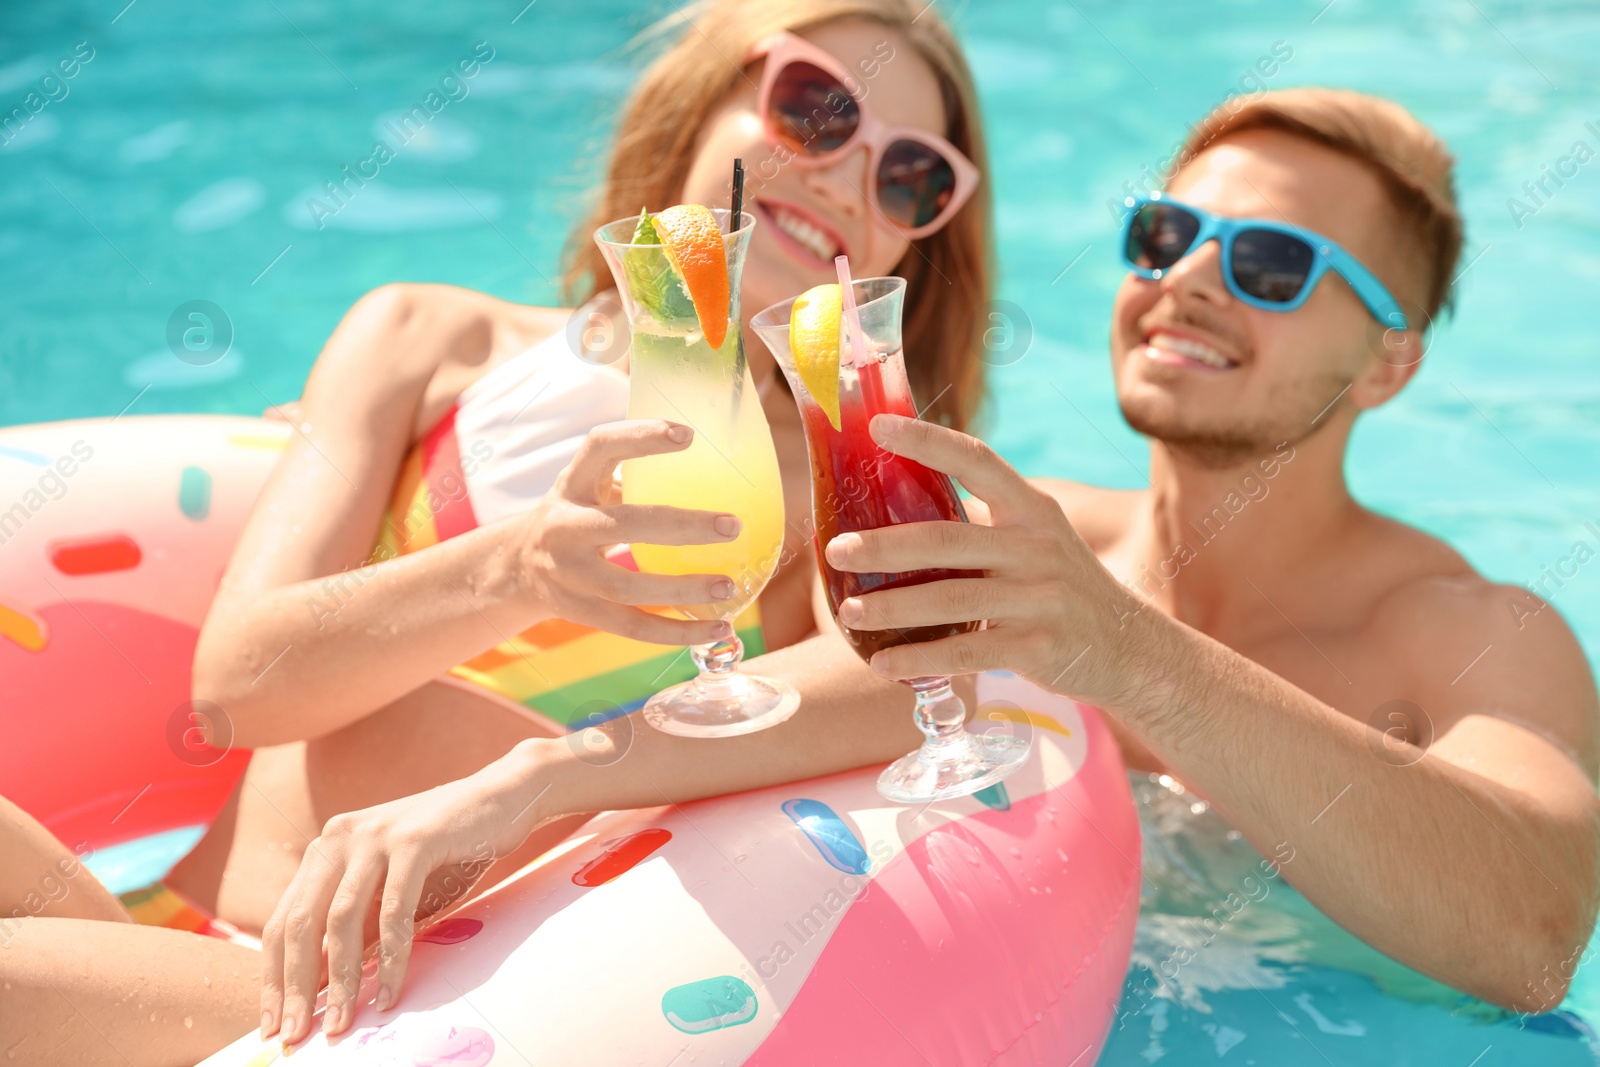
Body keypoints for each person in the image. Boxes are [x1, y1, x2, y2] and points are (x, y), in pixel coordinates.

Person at [258, 86, 1600, 1043]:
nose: (1189, 277)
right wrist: (363, 479)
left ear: (1391, 358)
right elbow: (735, 550)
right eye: (1162, 235)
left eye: (1268, 262)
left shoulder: (1460, 628)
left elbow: (1533, 942)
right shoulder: (1003, 533)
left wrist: (1133, 653)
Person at [2, 1, 993, 1061]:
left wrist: (532, 779)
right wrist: (514, 567)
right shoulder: (429, 340)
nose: (846, 176)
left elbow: (921, 689)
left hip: (374, 1016)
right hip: (150, 938)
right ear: (701, 104)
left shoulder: (835, 496)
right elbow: (238, 688)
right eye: (817, 111)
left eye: (909, 178)